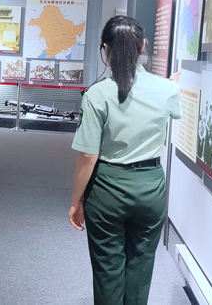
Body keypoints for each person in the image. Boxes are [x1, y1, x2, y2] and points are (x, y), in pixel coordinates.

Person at [68, 16, 181, 305]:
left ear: (106, 49)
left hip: (107, 188)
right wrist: (171, 84)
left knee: (108, 269)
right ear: (143, 46)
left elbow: (88, 155)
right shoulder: (167, 90)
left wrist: (76, 200)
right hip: (151, 186)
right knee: (141, 269)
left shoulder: (96, 94)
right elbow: (167, 98)